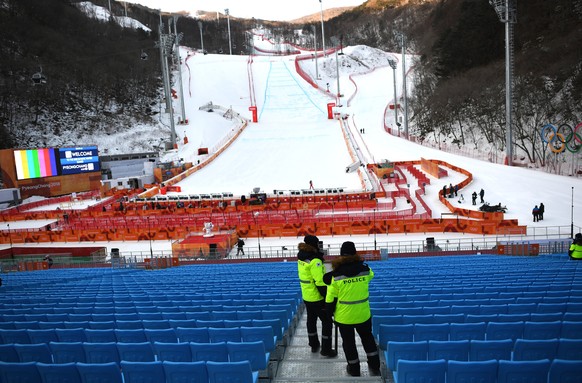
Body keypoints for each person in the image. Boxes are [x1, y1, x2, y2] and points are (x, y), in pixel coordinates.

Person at [323, 241, 380, 377]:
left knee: (348, 342)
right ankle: (374, 364)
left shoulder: (335, 276)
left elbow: (330, 299)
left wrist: (329, 314)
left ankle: (354, 369)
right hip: (363, 314)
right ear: (355, 253)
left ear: (341, 255)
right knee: (367, 338)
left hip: (344, 317)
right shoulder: (365, 270)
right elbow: (371, 275)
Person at [297, 235, 336, 357]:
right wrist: (326, 298)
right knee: (327, 321)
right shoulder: (315, 260)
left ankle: (314, 345)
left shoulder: (302, 257)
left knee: (311, 320)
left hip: (307, 295)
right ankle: (326, 349)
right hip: (316, 297)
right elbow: (319, 282)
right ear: (314, 245)